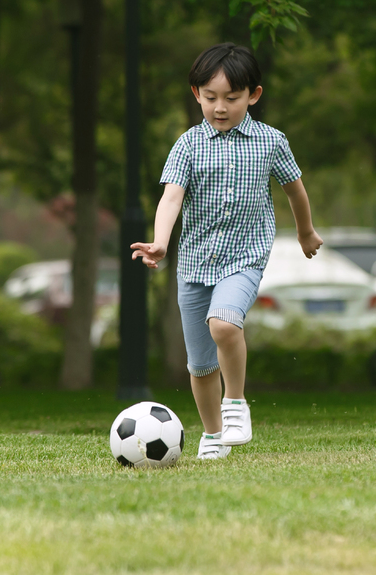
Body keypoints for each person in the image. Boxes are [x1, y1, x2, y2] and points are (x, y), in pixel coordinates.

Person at [131, 43, 323, 459]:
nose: (220, 107)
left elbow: (295, 190)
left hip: (245, 258)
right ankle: (214, 435)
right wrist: (161, 241)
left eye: (231, 98)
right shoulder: (187, 145)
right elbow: (171, 199)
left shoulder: (271, 141)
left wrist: (306, 232)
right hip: (195, 264)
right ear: (196, 94)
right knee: (200, 366)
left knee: (224, 324)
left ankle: (235, 403)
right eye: (210, 97)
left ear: (253, 95)